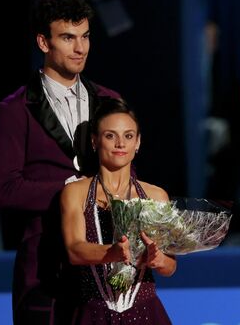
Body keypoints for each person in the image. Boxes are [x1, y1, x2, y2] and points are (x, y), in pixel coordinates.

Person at [0, 0, 120, 324]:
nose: (80, 48)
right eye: (67, 38)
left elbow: (126, 178)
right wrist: (74, 189)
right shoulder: (15, 110)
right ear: (44, 43)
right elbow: (4, 189)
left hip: (107, 262)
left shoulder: (109, 100)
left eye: (85, 37)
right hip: (45, 267)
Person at [60, 98, 174, 323]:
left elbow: (170, 266)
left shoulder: (156, 196)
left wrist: (159, 259)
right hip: (94, 315)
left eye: (128, 136)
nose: (120, 143)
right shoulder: (75, 192)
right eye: (110, 135)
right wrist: (112, 253)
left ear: (138, 142)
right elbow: (74, 250)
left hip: (146, 314)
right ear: (95, 141)